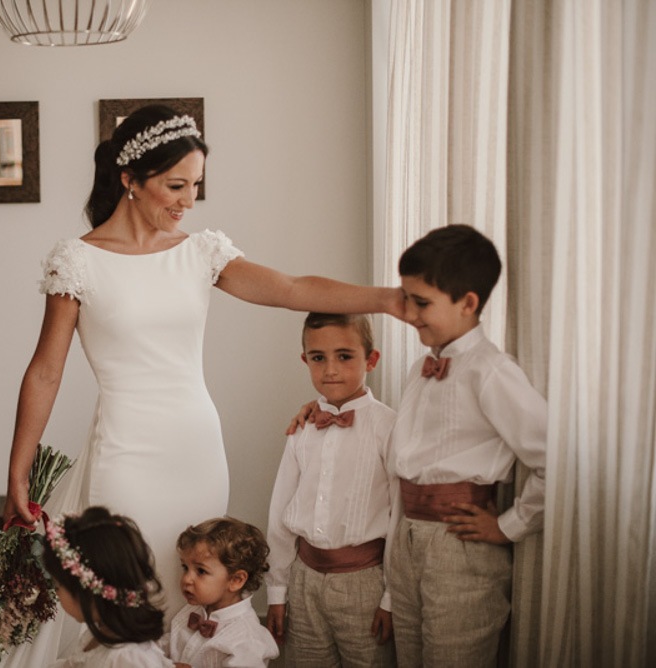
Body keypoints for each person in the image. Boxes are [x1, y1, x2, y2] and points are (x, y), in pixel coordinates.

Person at [0, 103, 404, 666]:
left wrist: (389, 299)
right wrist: (17, 473)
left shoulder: (202, 253)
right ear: (130, 179)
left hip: (197, 451)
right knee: (125, 598)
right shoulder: (76, 261)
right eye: (175, 185)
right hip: (125, 454)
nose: (187, 201)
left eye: (196, 186)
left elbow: (293, 288)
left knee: (190, 591)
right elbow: (46, 370)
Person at [386, 225, 547, 666]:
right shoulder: (421, 365)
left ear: (468, 303)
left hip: (457, 544)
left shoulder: (490, 371)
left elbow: (554, 459)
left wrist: (509, 526)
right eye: (406, 299)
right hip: (408, 537)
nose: (409, 313)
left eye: (421, 303)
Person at [266, 313, 397, 667]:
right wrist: (277, 590)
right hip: (303, 579)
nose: (331, 370)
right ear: (305, 360)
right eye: (318, 358)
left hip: (365, 583)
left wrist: (390, 598)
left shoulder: (388, 428)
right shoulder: (303, 427)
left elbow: (399, 518)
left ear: (371, 359)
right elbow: (280, 513)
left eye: (344, 356)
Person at [44, 506, 173, 668]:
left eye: (58, 586)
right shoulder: (99, 632)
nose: (56, 594)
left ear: (89, 591)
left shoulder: (130, 659)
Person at [161, 517, 278, 668]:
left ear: (236, 580)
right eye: (185, 567)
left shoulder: (247, 639)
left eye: (201, 571)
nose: (186, 579)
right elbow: (171, 643)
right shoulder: (192, 610)